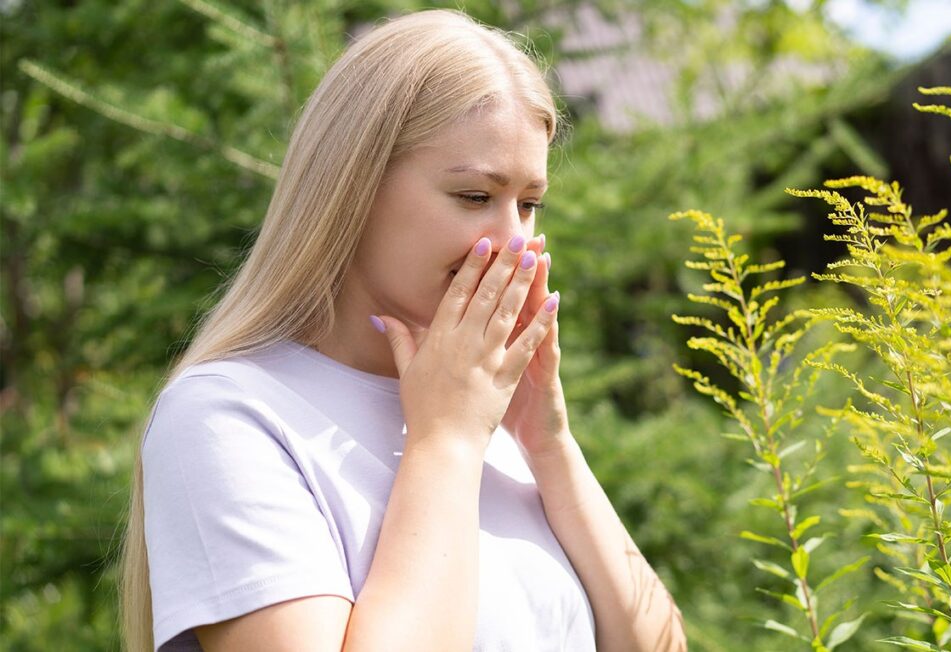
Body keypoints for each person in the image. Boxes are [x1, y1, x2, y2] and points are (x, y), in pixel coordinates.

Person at [119, 8, 686, 652]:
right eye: (475, 196)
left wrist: (548, 442)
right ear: (353, 188)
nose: (514, 241)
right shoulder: (228, 416)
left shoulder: (484, 409)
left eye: (529, 204)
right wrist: (446, 442)